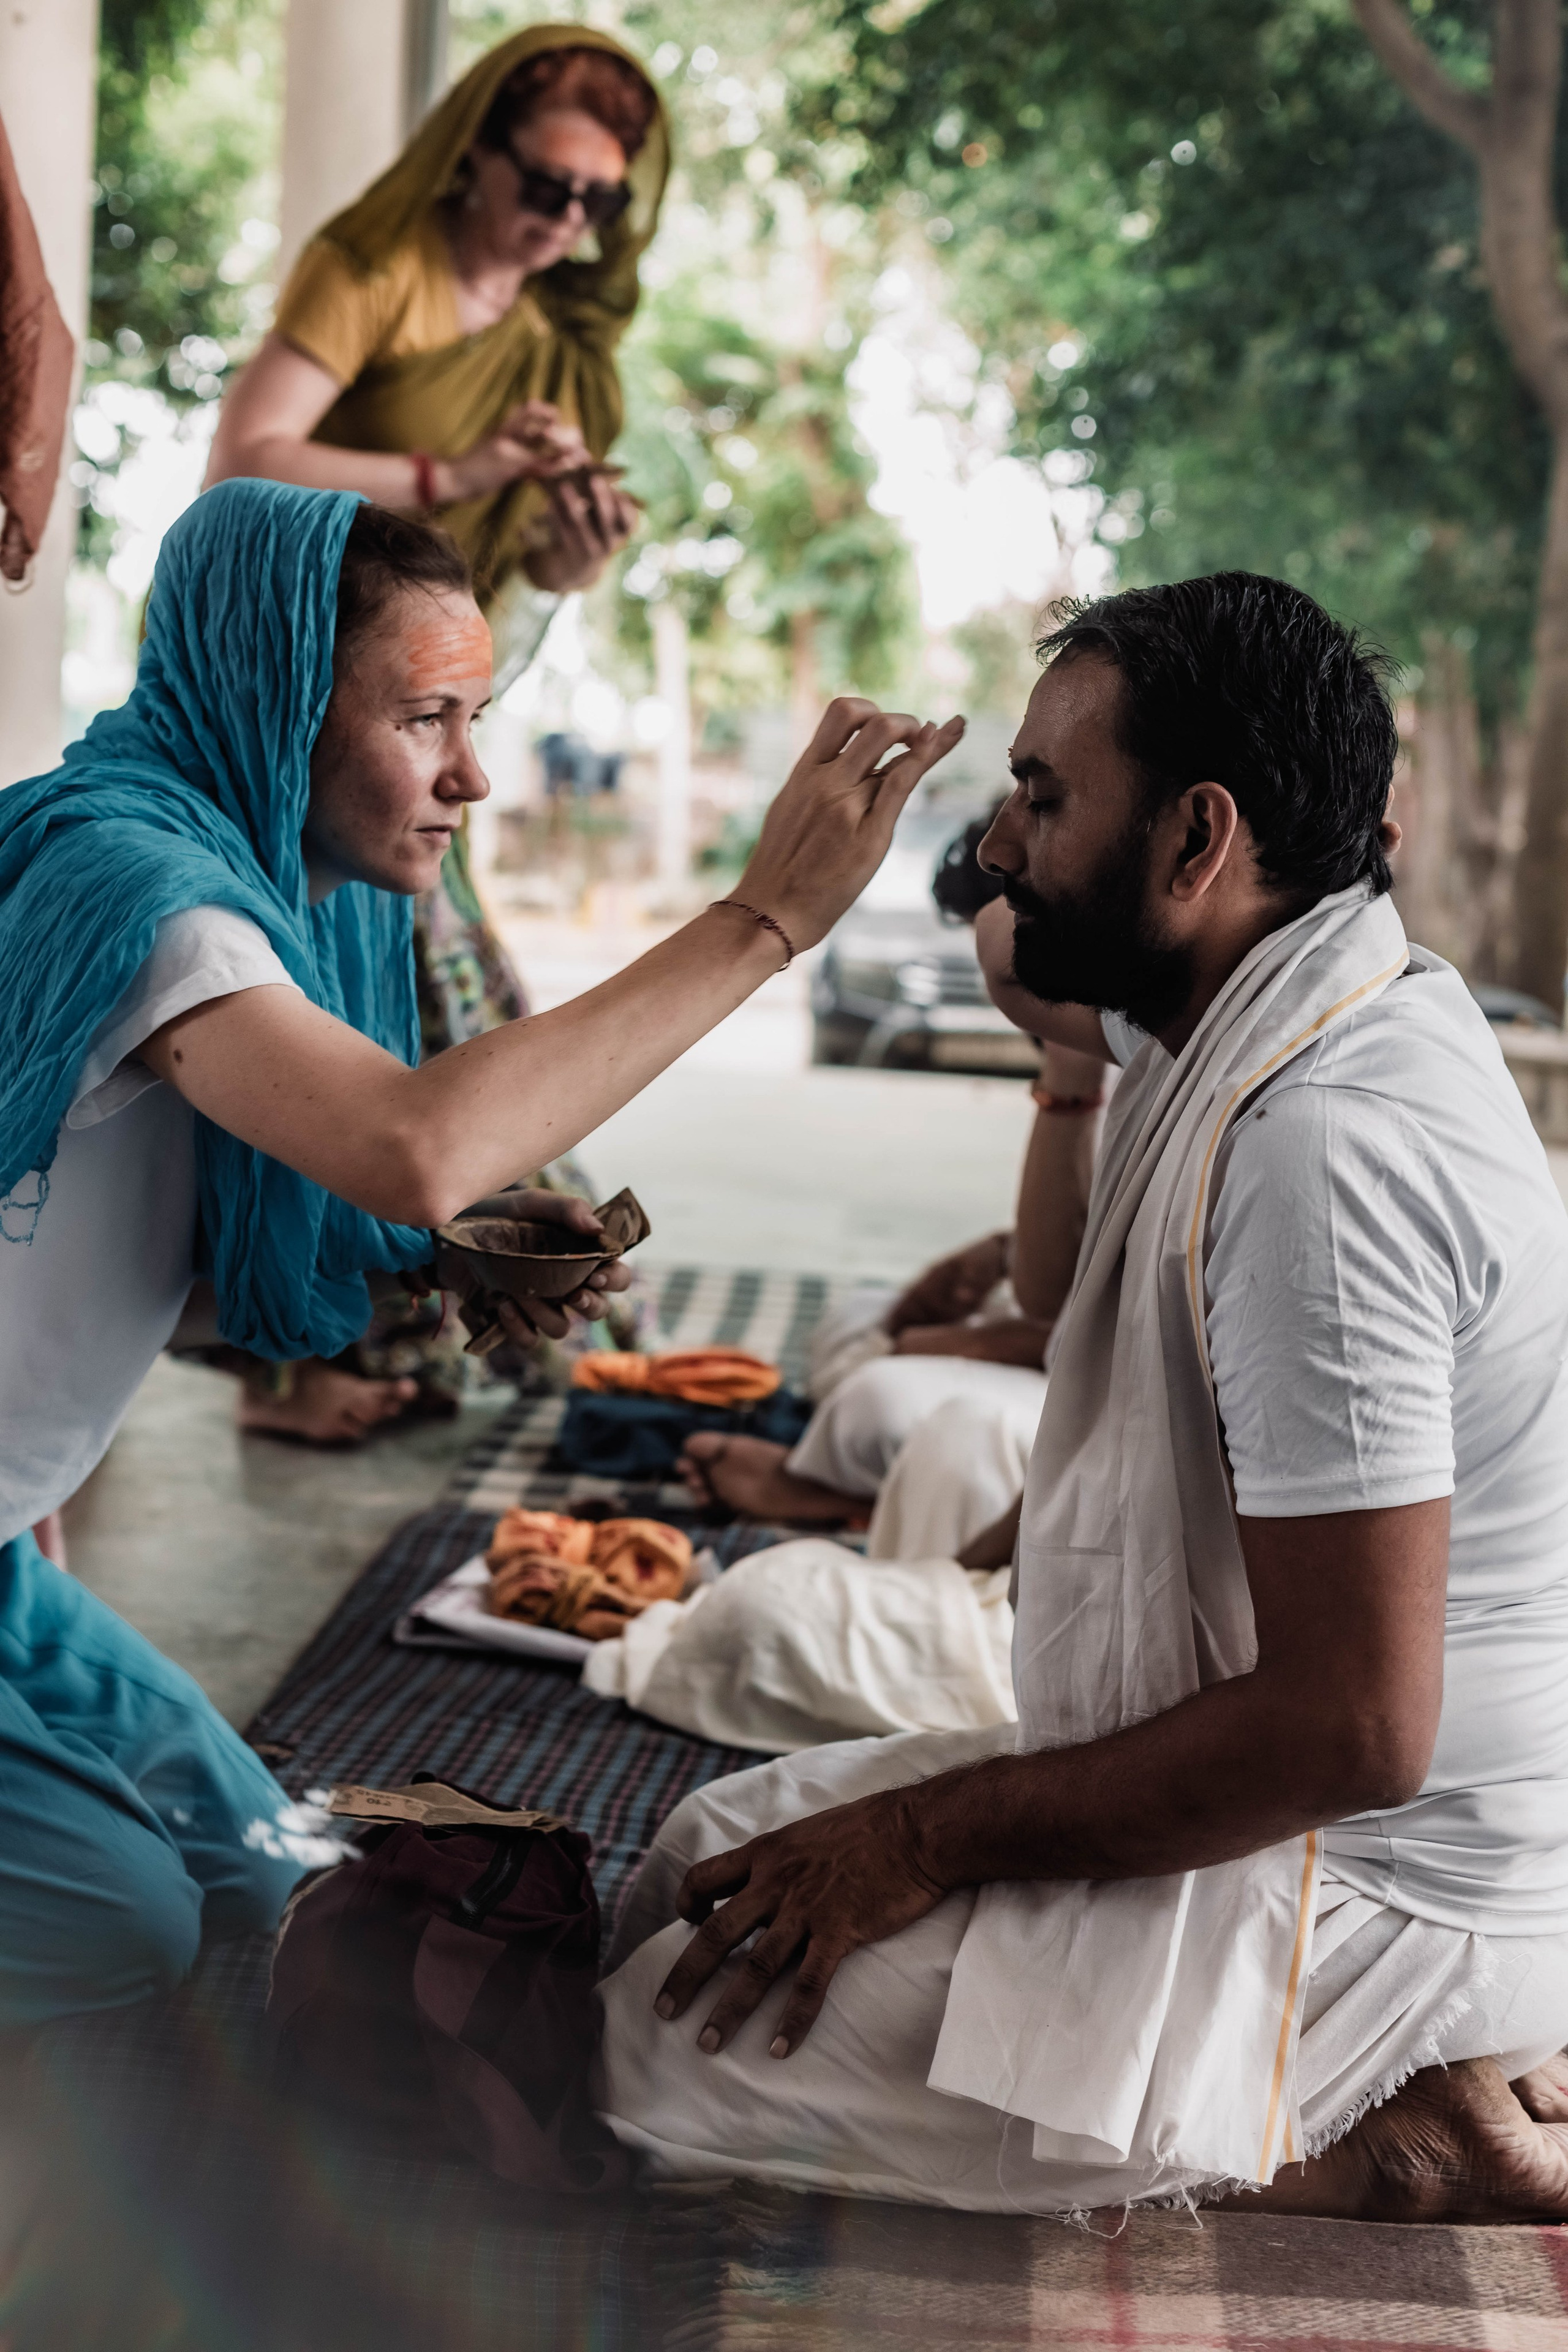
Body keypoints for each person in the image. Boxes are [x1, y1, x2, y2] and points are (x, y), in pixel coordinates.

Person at [596, 571, 1568, 2222]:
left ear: (1196, 842)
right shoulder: (1284, 989)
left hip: (1373, 1888)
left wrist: (912, 1844)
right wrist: (808, 877)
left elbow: (1353, 1728)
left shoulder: (1323, 1147)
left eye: (1043, 800)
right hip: (1307, 1808)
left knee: (653, 2048)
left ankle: (1384, 2134)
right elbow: (1013, 950)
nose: (994, 847)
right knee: (691, 1860)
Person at [0, 475, 963, 2026]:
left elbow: (107, 1265)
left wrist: (426, 1271)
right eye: (425, 718)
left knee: (275, 1866)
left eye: (477, 714)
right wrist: (761, 920)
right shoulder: (146, 889)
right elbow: (413, 1144)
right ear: (277, 705)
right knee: (125, 1925)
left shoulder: (245, 902)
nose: (476, 777)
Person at [202, 24, 665, 1438]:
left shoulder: (555, 352)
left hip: (417, 709)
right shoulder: (378, 271)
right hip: (295, 698)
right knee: (337, 1024)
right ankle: (311, 1348)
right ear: (474, 150)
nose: (563, 223)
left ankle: (383, 1328)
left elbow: (509, 597)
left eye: (598, 203)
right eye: (545, 183)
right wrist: (451, 470)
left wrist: (570, 553)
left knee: (414, 1012)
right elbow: (244, 458)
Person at [677, 1036, 1107, 1551]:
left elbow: (1134, 1328)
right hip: (1068, 1329)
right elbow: (1081, 1262)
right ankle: (889, 1496)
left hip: (1111, 1373)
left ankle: (863, 1503)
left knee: (884, 1401)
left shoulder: (1207, 1076)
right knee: (856, 1316)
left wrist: (979, 1344)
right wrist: (1001, 1254)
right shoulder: (1113, 1054)